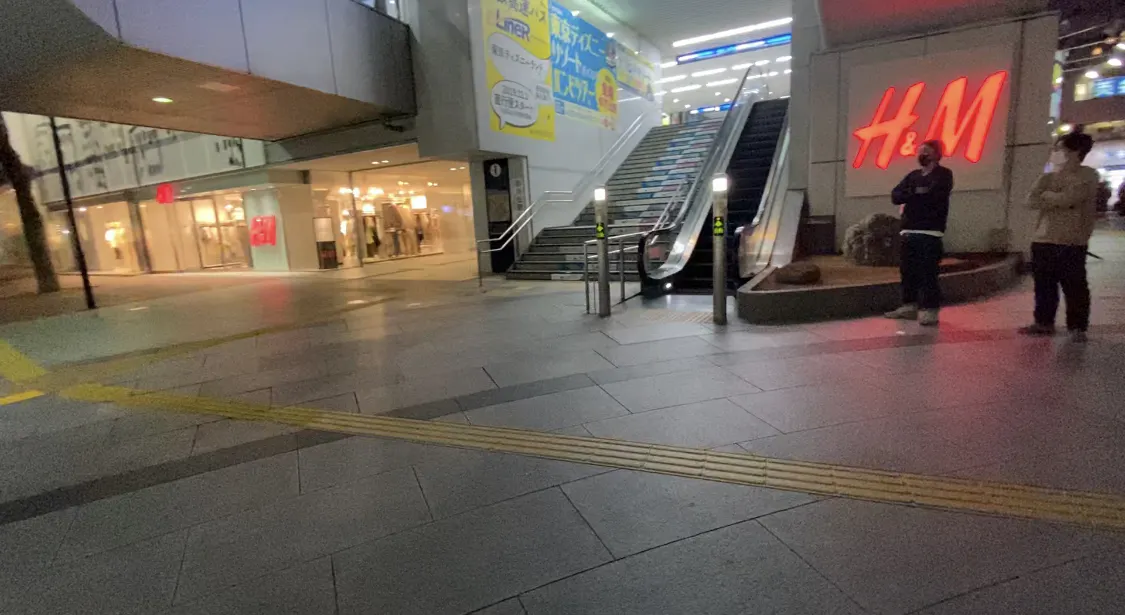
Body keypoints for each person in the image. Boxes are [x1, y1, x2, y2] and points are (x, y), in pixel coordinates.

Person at [1021, 131, 1099, 342]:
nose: (1055, 152)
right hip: (1043, 239)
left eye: (1060, 149)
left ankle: (1077, 327)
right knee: (1044, 285)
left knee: (1074, 286)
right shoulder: (1047, 176)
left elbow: (1070, 199)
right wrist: (1056, 198)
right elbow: (1030, 201)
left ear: (1075, 151)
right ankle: (1043, 322)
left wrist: (1048, 196)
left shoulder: (1088, 176)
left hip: (1072, 241)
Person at [884, 140, 954, 326]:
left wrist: (912, 195)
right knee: (908, 271)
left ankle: (930, 309)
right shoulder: (912, 176)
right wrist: (916, 193)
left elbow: (932, 196)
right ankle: (909, 305)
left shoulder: (944, 175)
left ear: (936, 154)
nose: (922, 155)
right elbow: (896, 196)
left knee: (928, 273)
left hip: (930, 232)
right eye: (920, 151)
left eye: (926, 151)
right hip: (908, 230)